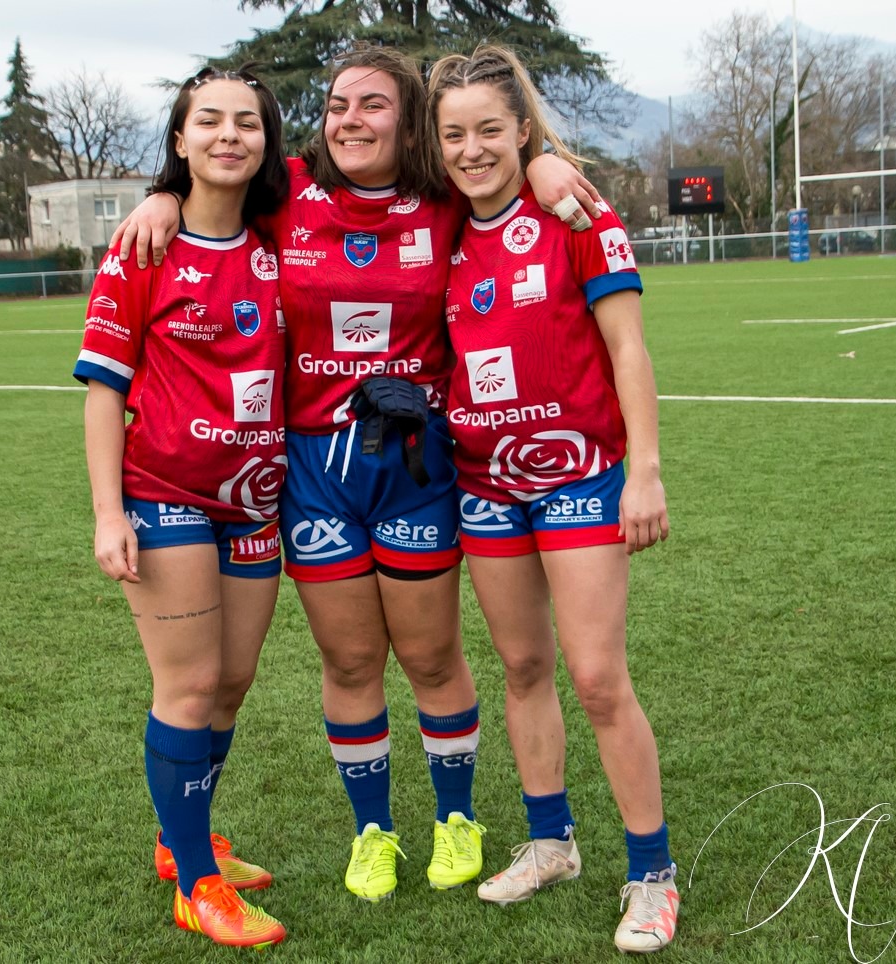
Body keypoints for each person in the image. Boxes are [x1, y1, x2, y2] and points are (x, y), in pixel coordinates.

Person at [113, 44, 602, 903]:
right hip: (312, 470)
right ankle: (371, 834)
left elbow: (494, 163)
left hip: (414, 464)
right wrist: (160, 190)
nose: (351, 120)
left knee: (433, 654)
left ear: (407, 119)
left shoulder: (444, 198)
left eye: (374, 105)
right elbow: (210, 187)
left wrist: (548, 162)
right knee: (348, 663)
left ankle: (457, 819)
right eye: (339, 105)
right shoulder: (287, 196)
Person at [428, 45, 679, 953]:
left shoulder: (572, 206)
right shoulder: (442, 229)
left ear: (523, 130)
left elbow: (629, 350)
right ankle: (550, 843)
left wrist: (643, 467)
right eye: (453, 134)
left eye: (491, 130)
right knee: (523, 671)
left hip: (578, 478)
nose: (471, 149)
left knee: (598, 677)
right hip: (484, 485)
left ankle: (652, 873)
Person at [75, 67, 290, 949]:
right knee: (190, 683)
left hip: (258, 501)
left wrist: (541, 162)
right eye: (210, 121)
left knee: (230, 684)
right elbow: (101, 389)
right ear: (180, 140)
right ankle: (197, 883)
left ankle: (181, 839)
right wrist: (106, 511)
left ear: (268, 144)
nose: (229, 135)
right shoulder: (142, 247)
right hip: (165, 497)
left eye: (247, 122)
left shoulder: (285, 236)